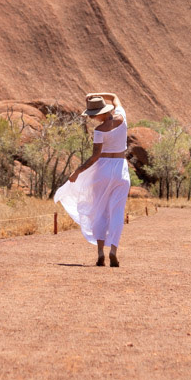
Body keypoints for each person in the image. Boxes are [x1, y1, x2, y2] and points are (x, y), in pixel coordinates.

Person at [54, 92, 130, 266]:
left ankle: (100, 253)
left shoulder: (99, 130)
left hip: (102, 170)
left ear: (101, 114)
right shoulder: (122, 116)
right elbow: (114, 96)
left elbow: (95, 156)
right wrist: (96, 95)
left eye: (94, 115)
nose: (93, 118)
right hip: (121, 169)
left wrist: (77, 171)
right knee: (117, 212)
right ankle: (113, 250)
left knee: (99, 210)